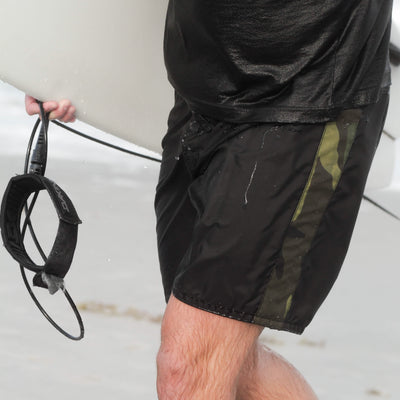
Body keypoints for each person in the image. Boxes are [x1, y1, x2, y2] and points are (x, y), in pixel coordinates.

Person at [26, 1, 393, 398]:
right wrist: (56, 58)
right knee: (229, 356)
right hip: (200, 89)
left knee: (186, 366)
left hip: (310, 98)